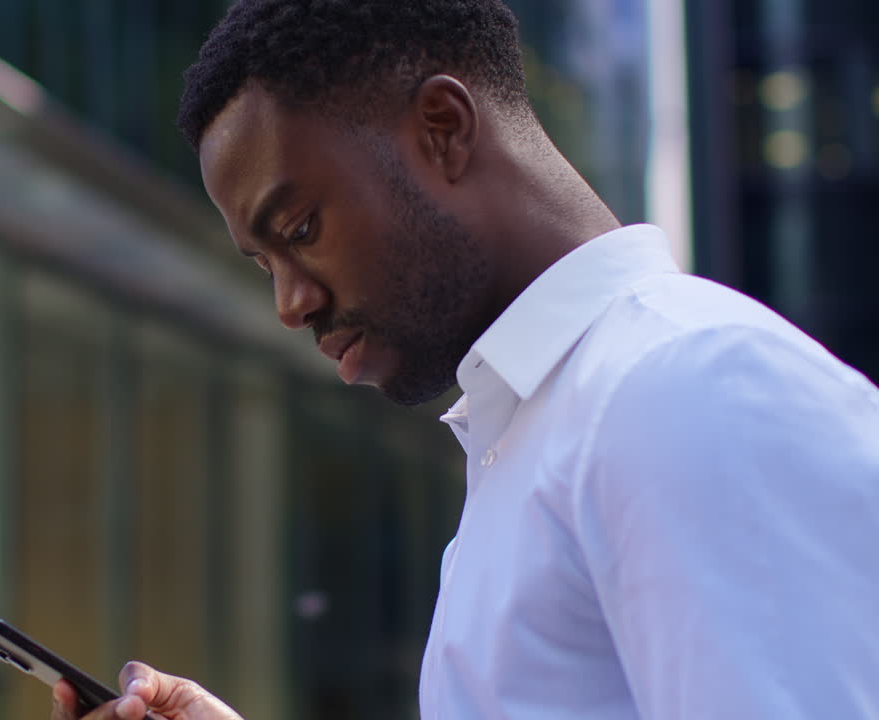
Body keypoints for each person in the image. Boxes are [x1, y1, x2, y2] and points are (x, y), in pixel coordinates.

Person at [52, 1, 879, 718]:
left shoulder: (684, 389)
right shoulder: (535, 437)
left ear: (442, 130)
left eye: (300, 229)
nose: (290, 303)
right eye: (264, 264)